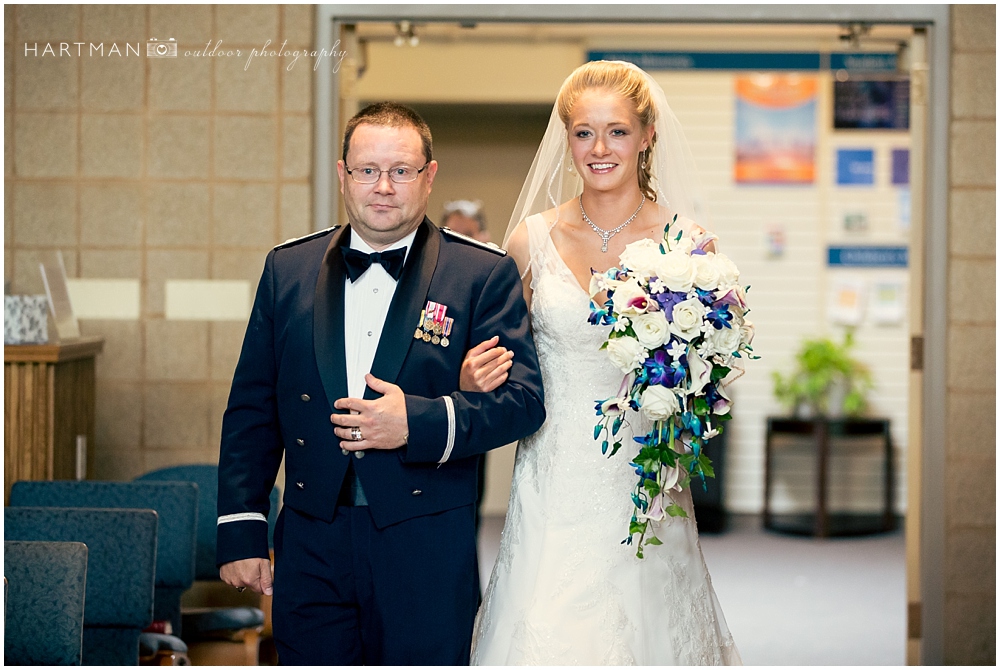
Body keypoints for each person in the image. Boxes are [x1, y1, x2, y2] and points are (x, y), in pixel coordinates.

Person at [215, 101, 546, 665]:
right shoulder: (286, 268)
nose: (383, 187)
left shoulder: (482, 274)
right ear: (344, 174)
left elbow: (524, 403)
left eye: (402, 170)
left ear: (429, 176)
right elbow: (252, 406)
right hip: (311, 536)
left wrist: (413, 423)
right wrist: (243, 529)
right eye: (368, 170)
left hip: (425, 540)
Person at [467, 61, 742, 664]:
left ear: (647, 136)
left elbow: (710, 373)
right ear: (565, 139)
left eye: (616, 131)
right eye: (583, 132)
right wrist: (470, 377)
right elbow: (496, 358)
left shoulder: (688, 246)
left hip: (645, 476)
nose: (598, 148)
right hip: (553, 474)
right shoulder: (530, 240)